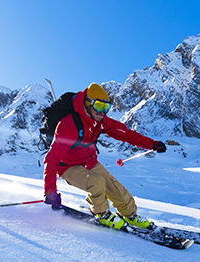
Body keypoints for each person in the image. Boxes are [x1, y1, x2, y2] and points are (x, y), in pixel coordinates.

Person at [43, 83, 167, 230]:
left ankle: (130, 216)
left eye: (106, 108)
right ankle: (102, 214)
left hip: (89, 162)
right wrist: (50, 191)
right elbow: (51, 159)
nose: (103, 112)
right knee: (96, 183)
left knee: (116, 189)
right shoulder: (69, 124)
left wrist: (152, 144)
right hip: (68, 167)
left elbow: (126, 134)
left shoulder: (100, 121)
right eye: (99, 106)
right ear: (88, 103)